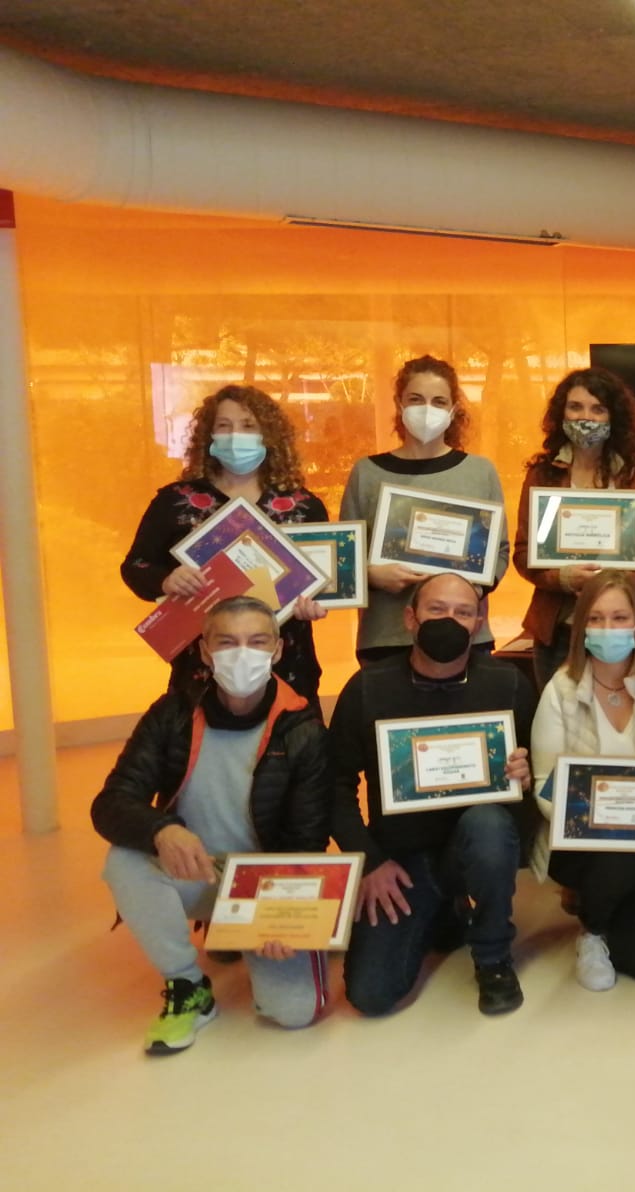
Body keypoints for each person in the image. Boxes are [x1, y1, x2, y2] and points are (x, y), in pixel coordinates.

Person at [91, 596, 332, 1054]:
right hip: (195, 868)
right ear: (204, 650)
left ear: (278, 650)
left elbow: (307, 839)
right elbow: (111, 802)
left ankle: (255, 935)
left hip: (261, 885)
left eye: (257, 642)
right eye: (227, 642)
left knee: (294, 1013)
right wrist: (162, 829)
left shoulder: (303, 728)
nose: (242, 654)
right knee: (125, 858)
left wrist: (282, 916)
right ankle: (187, 985)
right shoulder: (172, 714)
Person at [329, 572, 535, 1016]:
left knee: (489, 823)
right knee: (371, 995)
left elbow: (537, 769)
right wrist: (369, 861)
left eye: (463, 612)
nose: (449, 621)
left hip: (476, 844)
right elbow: (335, 784)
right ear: (410, 618)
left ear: (479, 621)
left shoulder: (508, 683)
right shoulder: (367, 688)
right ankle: (444, 911)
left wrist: (527, 771)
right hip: (400, 859)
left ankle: (493, 956)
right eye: (436, 609)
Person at [530, 570, 635, 990]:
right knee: (615, 857)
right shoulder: (560, 688)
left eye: (620, 618)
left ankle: (606, 907)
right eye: (596, 618)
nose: (608, 628)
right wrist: (591, 819)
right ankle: (593, 930)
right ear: (580, 625)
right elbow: (545, 782)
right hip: (580, 841)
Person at [121, 384, 329, 701]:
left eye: (248, 426)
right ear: (209, 436)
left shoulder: (304, 506)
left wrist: (315, 605)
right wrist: (166, 580)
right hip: (201, 666)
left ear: (269, 435)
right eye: (224, 426)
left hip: (286, 664)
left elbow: (325, 582)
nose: (236, 436)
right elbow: (135, 567)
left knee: (289, 733)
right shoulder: (175, 501)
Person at [511, 367, 635, 694]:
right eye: (575, 407)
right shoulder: (542, 478)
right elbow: (523, 553)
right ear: (561, 414)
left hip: (625, 632)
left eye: (597, 409)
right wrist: (564, 578)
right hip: (559, 632)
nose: (585, 417)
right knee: (561, 719)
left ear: (614, 417)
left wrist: (618, 581)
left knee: (626, 718)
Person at [339, 355, 510, 662]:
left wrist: (472, 589)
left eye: (439, 401)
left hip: (464, 637)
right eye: (416, 399)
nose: (427, 409)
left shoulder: (480, 472)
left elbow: (499, 552)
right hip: (385, 638)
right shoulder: (367, 473)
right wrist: (370, 576)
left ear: (453, 409)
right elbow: (343, 560)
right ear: (399, 404)